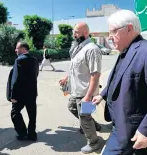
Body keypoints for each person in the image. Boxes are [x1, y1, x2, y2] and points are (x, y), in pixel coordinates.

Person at [92, 10, 147, 155]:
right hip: (121, 121)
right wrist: (103, 95)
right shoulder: (126, 50)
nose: (110, 37)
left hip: (132, 127)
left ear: (129, 28)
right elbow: (118, 79)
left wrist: (146, 130)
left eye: (113, 32)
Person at [59, 22, 102, 154]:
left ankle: (94, 142)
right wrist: (67, 77)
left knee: (84, 118)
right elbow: (76, 68)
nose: (74, 34)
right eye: (74, 32)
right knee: (72, 107)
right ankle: (94, 125)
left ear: (85, 33)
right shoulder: (79, 48)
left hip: (86, 93)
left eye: (76, 32)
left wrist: (88, 96)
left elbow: (96, 74)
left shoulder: (92, 49)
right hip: (76, 90)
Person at [7, 41, 39, 141]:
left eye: (17, 48)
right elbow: (36, 74)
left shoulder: (19, 60)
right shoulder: (34, 59)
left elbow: (15, 79)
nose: (15, 50)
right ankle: (32, 134)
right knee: (32, 114)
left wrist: (12, 95)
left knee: (15, 113)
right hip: (32, 92)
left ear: (23, 49)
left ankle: (22, 133)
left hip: (20, 94)